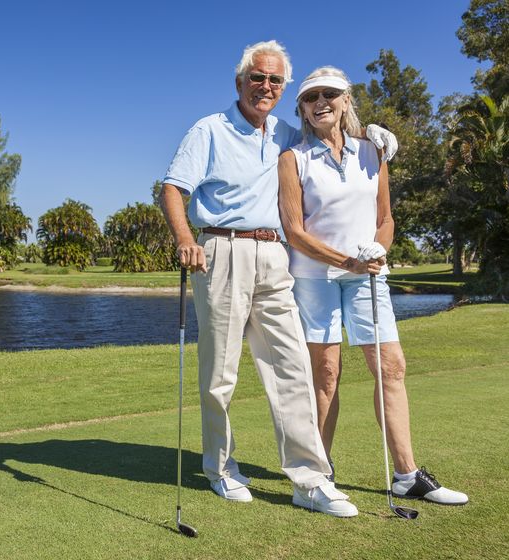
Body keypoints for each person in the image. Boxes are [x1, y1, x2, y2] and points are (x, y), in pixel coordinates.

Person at [160, 40, 396, 517]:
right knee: (220, 373)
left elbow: (332, 138)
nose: (264, 86)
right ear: (240, 82)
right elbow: (172, 188)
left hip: (274, 255)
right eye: (257, 77)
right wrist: (185, 238)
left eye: (274, 80)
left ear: (282, 88)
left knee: (291, 364)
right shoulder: (209, 129)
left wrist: (374, 135)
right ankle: (220, 469)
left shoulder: (288, 133)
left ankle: (309, 479)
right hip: (220, 250)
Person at [277, 66, 468, 505]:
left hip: (369, 276)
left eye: (330, 94)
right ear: (302, 109)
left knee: (391, 368)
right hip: (315, 278)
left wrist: (378, 250)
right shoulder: (294, 159)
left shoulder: (373, 151)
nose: (320, 101)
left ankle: (407, 474)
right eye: (311, 97)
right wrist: (346, 260)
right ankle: (318, 475)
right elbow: (294, 230)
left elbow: (385, 218)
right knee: (325, 375)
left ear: (346, 100)